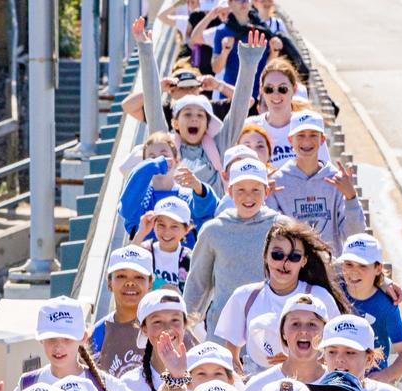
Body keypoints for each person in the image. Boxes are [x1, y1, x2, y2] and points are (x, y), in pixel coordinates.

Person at [136, 16, 267, 196]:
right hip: (176, 219)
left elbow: (239, 109)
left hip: (210, 218)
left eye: (200, 115)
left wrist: (249, 63)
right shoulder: (167, 146)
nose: (194, 119)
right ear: (175, 123)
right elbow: (152, 104)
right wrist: (146, 52)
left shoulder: (219, 145)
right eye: (187, 114)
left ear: (207, 124)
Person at [214, 217, 346, 373]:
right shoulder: (244, 297)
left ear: (304, 261)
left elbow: (339, 351)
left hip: (310, 389)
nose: (285, 263)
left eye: (294, 257)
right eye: (277, 254)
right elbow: (231, 355)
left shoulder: (319, 297)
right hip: (261, 389)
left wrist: (297, 361)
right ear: (265, 255)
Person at [184, 157, 282, 343]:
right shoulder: (214, 230)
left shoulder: (281, 227)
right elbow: (198, 282)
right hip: (223, 331)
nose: (248, 197)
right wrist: (183, 324)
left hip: (270, 331)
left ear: (266, 191)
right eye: (241, 190)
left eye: (255, 189)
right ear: (229, 191)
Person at [13, 295, 150, 391]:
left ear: (83, 338)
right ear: (40, 339)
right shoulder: (28, 383)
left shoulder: (104, 384)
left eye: (67, 339)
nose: (58, 346)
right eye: (51, 339)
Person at [268, 109, 366, 257]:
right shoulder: (278, 181)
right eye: (300, 135)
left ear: (322, 139)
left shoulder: (336, 180)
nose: (307, 141)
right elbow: (271, 233)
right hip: (292, 271)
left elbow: (354, 234)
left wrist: (351, 197)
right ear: (290, 140)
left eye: (313, 135)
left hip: (331, 270)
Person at [337, 233, 402, 383]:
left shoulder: (385, 306)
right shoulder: (333, 292)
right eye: (349, 264)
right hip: (337, 380)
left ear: (378, 268)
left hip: (370, 383)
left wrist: (385, 375)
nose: (353, 271)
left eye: (362, 266)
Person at [118, 132, 218, 244]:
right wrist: (152, 166)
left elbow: (208, 209)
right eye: (152, 158)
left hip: (185, 260)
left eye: (164, 156)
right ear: (144, 164)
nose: (159, 161)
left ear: (177, 160)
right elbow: (127, 209)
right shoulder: (142, 200)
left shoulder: (187, 196)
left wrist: (198, 187)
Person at [242, 293, 329, 391]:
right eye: (295, 324)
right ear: (283, 332)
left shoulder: (340, 385)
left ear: (325, 333)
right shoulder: (257, 387)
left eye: (312, 324)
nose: (303, 331)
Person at [245, 57, 329, 169]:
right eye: (269, 89)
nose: (275, 95)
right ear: (261, 90)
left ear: (294, 89)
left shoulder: (308, 125)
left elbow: (326, 170)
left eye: (282, 89)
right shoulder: (250, 126)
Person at [120, 288, 198, 391]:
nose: (167, 328)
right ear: (145, 329)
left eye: (175, 320)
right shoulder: (129, 385)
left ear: (184, 325)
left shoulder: (201, 378)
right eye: (157, 322)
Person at [90, 246, 154, 379]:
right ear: (109, 283)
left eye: (138, 277)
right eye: (121, 276)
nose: (130, 283)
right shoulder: (99, 333)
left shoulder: (164, 328)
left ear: (150, 283)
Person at [132, 196, 194, 292]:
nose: (166, 232)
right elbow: (126, 265)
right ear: (154, 224)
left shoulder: (190, 259)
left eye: (174, 226)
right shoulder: (144, 250)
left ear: (186, 229)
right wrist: (141, 232)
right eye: (161, 225)